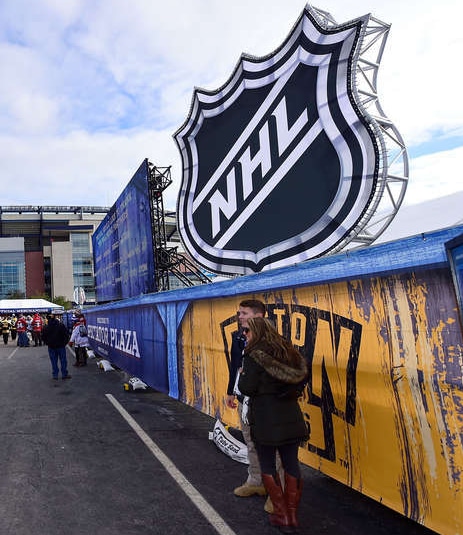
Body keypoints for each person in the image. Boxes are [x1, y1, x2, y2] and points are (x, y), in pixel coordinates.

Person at [238, 317, 309, 533]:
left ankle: (281, 514)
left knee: (268, 464)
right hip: (292, 418)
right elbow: (301, 378)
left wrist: (242, 375)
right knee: (291, 463)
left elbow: (247, 388)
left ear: (257, 331)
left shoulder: (253, 355)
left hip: (266, 420)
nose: (245, 334)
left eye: (247, 330)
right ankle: (292, 515)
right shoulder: (289, 352)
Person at [226, 299, 275, 507]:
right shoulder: (238, 336)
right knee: (251, 442)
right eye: (239, 313)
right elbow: (235, 364)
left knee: (274, 447)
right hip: (244, 397)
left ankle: (277, 492)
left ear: (258, 315)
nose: (240, 317)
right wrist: (231, 391)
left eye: (244, 313)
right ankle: (256, 481)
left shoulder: (274, 340)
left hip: (265, 402)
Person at [42, 314, 71, 380]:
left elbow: (43, 337)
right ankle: (64, 374)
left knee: (54, 361)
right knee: (63, 360)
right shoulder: (60, 325)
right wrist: (64, 343)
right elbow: (66, 335)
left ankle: (55, 375)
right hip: (60, 346)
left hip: (51, 347)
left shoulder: (46, 327)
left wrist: (48, 343)